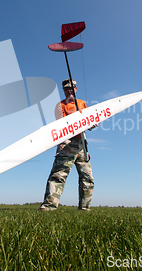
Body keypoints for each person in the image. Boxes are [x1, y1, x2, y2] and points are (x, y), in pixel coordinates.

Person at [39, 79, 96, 211]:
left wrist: (91, 124)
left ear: (76, 89)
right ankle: (49, 206)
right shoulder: (60, 105)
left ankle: (85, 209)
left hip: (82, 144)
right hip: (67, 143)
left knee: (87, 178)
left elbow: (89, 121)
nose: (69, 90)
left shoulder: (82, 103)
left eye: (71, 88)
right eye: (66, 89)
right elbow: (61, 124)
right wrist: (76, 118)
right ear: (63, 91)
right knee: (59, 174)